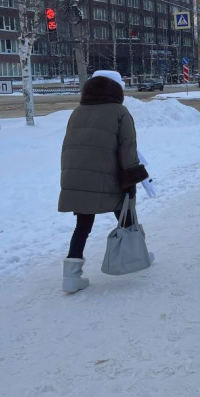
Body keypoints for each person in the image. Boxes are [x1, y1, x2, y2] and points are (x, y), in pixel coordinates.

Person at [58, 70, 150, 293]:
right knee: (126, 216)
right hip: (109, 178)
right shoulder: (120, 112)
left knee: (82, 226)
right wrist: (131, 178)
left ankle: (71, 277)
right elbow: (128, 149)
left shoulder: (78, 111)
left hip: (77, 176)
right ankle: (136, 257)